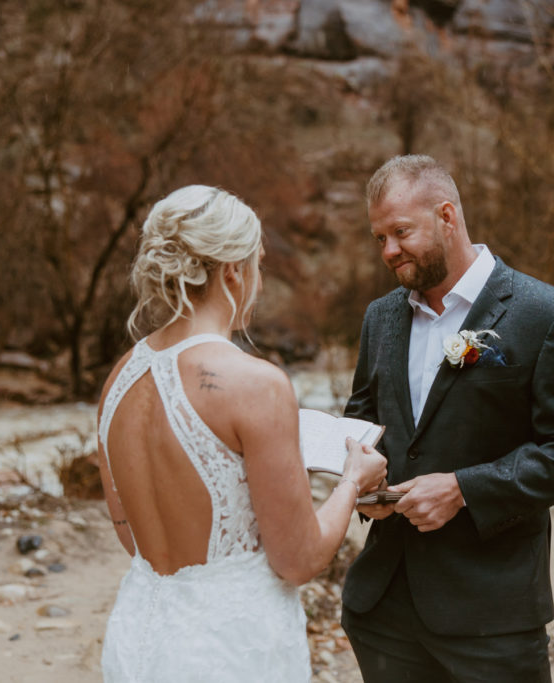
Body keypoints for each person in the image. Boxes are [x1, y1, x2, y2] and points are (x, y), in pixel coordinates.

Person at [96, 185, 387, 682]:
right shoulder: (256, 384)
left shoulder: (119, 379)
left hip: (138, 638)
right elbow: (298, 560)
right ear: (233, 270)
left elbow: (132, 539)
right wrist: (353, 483)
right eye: (257, 266)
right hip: (231, 649)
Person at [341, 155, 554, 682]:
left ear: (447, 217)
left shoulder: (548, 315)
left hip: (493, 614)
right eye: (379, 239)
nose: (389, 251)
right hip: (385, 609)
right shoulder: (380, 317)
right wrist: (364, 485)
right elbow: (364, 419)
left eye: (400, 232)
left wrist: (463, 488)